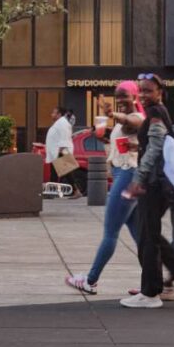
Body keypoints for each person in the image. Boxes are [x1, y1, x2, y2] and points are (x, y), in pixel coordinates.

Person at [119, 74, 174, 309]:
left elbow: (156, 147)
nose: (144, 95)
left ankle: (150, 293)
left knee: (148, 237)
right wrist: (139, 145)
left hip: (152, 184)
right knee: (150, 235)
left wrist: (137, 179)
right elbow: (158, 143)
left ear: (159, 93)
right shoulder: (159, 112)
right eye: (141, 91)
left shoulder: (156, 113)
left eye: (149, 91)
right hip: (157, 182)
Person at [65, 82, 144, 295]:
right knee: (139, 235)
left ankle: (90, 280)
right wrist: (104, 132)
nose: (120, 100)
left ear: (135, 96)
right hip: (125, 175)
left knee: (110, 232)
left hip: (126, 176)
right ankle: (154, 282)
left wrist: (112, 114)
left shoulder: (137, 117)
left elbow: (133, 122)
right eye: (117, 96)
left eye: (124, 96)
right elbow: (123, 131)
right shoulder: (123, 120)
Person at [44, 106, 79, 195]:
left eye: (54, 113)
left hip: (61, 150)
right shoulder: (60, 123)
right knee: (56, 173)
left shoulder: (62, 123)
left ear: (59, 114)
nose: (52, 114)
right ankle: (53, 191)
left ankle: (75, 191)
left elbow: (64, 137)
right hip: (58, 151)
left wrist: (61, 151)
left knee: (67, 172)